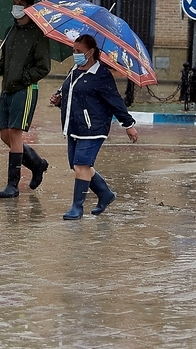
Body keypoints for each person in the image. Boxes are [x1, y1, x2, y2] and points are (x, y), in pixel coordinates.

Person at [50, 33, 139, 220]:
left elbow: (115, 101)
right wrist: (59, 100)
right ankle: (105, 194)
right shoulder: (74, 70)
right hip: (73, 126)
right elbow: (73, 95)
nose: (75, 54)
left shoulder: (101, 75)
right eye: (74, 50)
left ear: (91, 52)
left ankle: (77, 207)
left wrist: (128, 124)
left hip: (93, 127)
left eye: (79, 51)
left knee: (82, 164)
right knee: (78, 165)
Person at [0, 0, 51, 199]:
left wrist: (21, 77)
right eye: (14, 3)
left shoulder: (38, 34)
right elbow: (5, 63)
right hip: (7, 89)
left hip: (26, 89)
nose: (17, 7)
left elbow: (43, 67)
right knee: (5, 135)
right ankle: (37, 164)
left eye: (21, 3)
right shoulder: (9, 31)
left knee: (15, 134)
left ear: (29, 7)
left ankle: (12, 185)